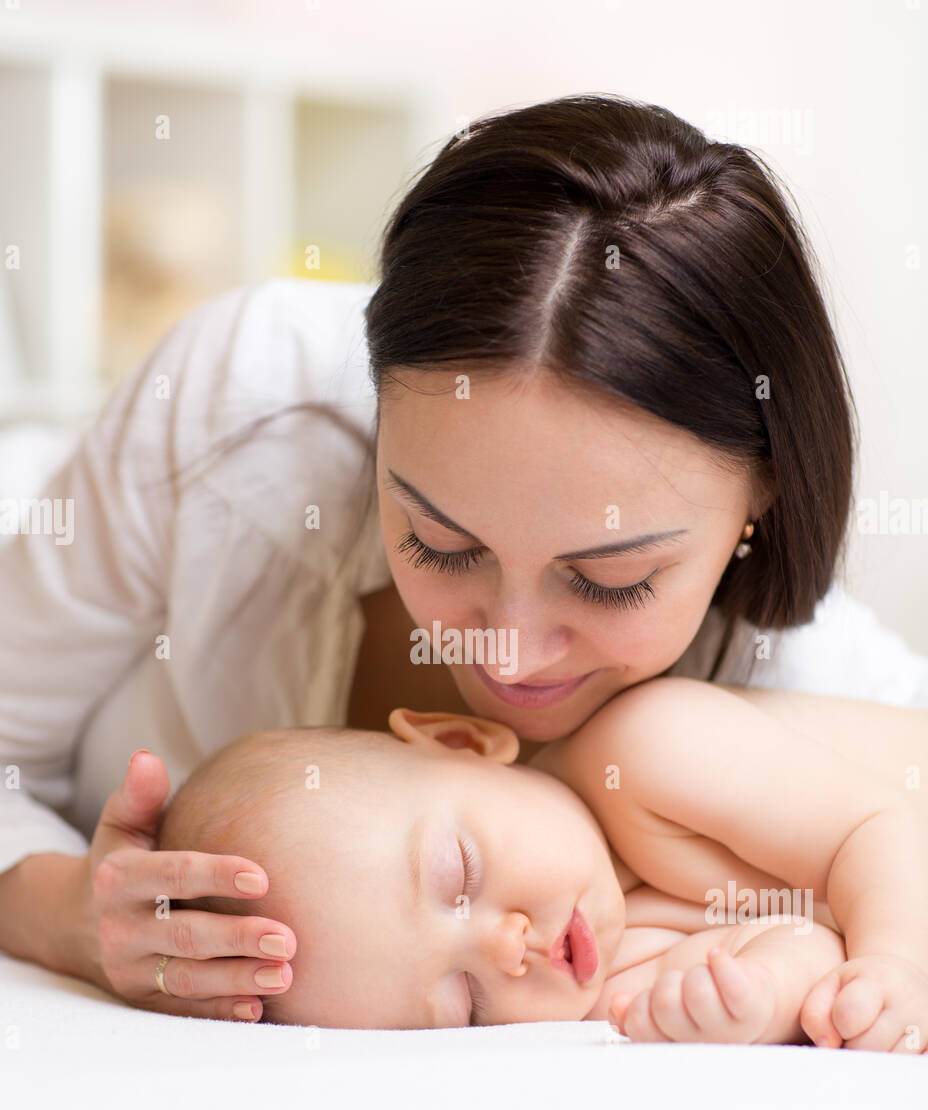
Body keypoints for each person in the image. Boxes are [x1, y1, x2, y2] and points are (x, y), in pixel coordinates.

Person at [1, 94, 926, 1022]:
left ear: (754, 511)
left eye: (612, 578)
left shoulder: (776, 697)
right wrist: (63, 914)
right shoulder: (240, 414)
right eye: (440, 544)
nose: (508, 656)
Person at [152, 677, 928, 1052]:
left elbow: (876, 829)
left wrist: (894, 962)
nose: (504, 949)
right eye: (465, 1003)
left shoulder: (649, 751)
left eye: (460, 874)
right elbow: (809, 945)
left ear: (464, 744)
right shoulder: (601, 994)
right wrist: (755, 1003)